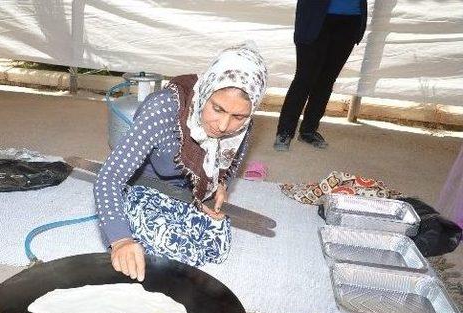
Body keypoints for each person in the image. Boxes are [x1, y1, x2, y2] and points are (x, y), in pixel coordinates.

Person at [94, 43, 268, 281]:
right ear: (206, 91)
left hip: (189, 190)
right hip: (146, 183)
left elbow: (231, 161)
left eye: (238, 116)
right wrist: (121, 240)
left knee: (214, 242)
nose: (224, 126)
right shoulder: (163, 108)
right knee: (160, 242)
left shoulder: (242, 126)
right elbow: (109, 178)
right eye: (217, 109)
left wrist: (219, 185)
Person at [273, 0, 368, 151]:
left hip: (352, 19)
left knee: (326, 80)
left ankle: (308, 130)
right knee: (304, 78)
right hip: (316, 18)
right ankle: (285, 131)